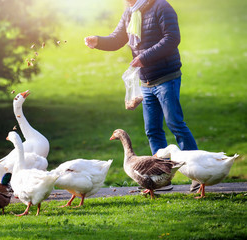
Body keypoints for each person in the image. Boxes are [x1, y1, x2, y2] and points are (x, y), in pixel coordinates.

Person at [85, 0, 200, 191]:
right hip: (146, 81)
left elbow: (172, 39)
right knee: (152, 129)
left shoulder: (161, 7)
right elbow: (117, 38)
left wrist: (144, 57)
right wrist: (98, 41)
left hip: (166, 77)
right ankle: (160, 179)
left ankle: (196, 174)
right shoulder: (130, 11)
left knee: (175, 124)